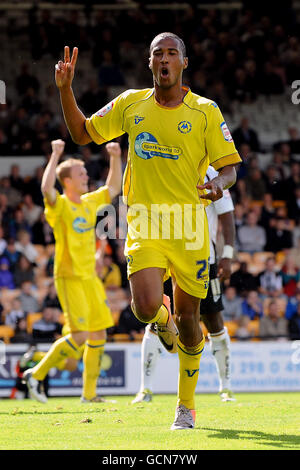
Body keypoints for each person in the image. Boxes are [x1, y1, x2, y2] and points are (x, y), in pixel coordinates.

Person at [54, 35, 241, 430]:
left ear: (184, 63)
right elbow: (82, 134)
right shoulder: (130, 104)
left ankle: (186, 406)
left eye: (173, 53)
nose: (165, 59)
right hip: (145, 222)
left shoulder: (206, 111)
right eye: (159, 53)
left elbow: (229, 166)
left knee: (192, 322)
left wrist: (221, 183)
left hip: (190, 227)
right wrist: (66, 91)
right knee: (142, 307)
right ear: (150, 62)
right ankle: (163, 324)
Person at [23, 138, 122, 404]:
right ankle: (36, 373)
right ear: (67, 180)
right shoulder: (61, 206)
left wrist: (115, 156)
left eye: (86, 173)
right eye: (81, 173)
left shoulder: (90, 202)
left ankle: (89, 395)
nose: (86, 176)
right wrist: (55, 154)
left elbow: (113, 186)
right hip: (69, 276)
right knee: (78, 336)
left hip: (90, 277)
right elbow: (46, 188)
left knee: (99, 332)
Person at [132, 166, 237, 405]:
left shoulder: (209, 171)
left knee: (212, 322)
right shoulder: (159, 162)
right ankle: (145, 389)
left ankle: (226, 387)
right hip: (163, 255)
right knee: (157, 318)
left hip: (202, 257)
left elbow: (227, 216)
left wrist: (227, 255)